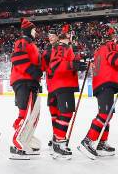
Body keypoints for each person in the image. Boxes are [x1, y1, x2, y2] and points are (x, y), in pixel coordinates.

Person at [78, 25, 118, 159]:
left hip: (100, 83)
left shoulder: (99, 49)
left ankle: (101, 142)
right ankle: (88, 140)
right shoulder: (110, 45)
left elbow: (112, 64)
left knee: (107, 114)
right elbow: (115, 60)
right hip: (106, 82)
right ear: (113, 37)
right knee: (105, 114)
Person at [45, 25, 88, 159]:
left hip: (56, 85)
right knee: (65, 114)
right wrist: (74, 64)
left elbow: (63, 63)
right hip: (63, 84)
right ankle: (59, 142)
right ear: (67, 37)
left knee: (60, 115)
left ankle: (57, 142)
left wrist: (78, 59)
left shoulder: (58, 48)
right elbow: (57, 65)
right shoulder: (62, 47)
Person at [10, 18, 43, 158]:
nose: (36, 32)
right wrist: (33, 71)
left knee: (32, 114)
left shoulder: (30, 44)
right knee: (25, 113)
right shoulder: (22, 42)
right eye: (34, 30)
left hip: (30, 82)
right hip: (24, 82)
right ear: (29, 30)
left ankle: (25, 140)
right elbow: (18, 59)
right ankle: (17, 143)